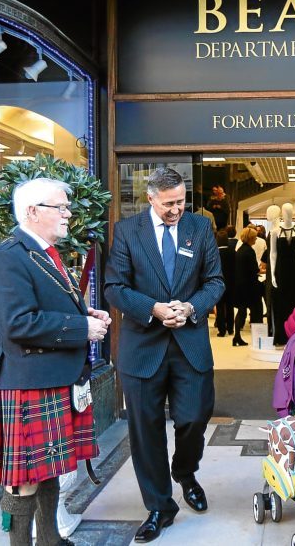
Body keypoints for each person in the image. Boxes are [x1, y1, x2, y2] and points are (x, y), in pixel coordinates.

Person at [0, 178, 109, 546]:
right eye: (61, 207)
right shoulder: (9, 255)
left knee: (48, 470)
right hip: (29, 381)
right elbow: (17, 324)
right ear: (32, 211)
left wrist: (84, 313)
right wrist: (81, 328)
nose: (68, 214)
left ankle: (51, 540)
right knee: (24, 480)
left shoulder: (42, 251)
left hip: (50, 377)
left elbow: (43, 305)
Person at [104, 167, 224, 543]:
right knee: (146, 432)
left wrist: (189, 308)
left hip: (189, 345)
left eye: (181, 201)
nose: (176, 209)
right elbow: (114, 287)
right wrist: (153, 308)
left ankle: (185, 473)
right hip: (143, 347)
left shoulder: (199, 228)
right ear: (151, 198)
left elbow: (215, 282)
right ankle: (159, 506)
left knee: (193, 418)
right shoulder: (127, 232)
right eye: (169, 203)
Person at [232, 226, 263, 346]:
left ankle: (237, 336)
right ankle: (259, 337)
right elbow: (254, 270)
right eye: (254, 237)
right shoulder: (249, 251)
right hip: (250, 287)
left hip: (240, 285)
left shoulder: (240, 250)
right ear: (250, 238)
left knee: (242, 311)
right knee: (257, 311)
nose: (256, 239)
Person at [214, 230, 235, 337]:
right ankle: (231, 328)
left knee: (220, 307)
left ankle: (222, 330)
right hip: (231, 283)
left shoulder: (214, 253)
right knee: (230, 306)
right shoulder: (232, 251)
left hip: (218, 283)